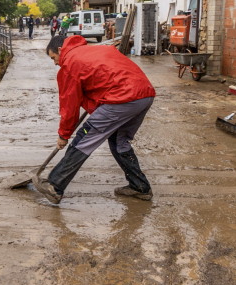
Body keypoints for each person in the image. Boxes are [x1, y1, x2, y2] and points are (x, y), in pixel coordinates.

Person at [34, 34, 155, 204]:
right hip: (144, 95)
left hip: (121, 98)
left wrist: (64, 135)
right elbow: (101, 84)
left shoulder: (70, 64)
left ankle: (54, 185)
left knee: (84, 139)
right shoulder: (97, 49)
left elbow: (69, 106)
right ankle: (140, 187)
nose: (55, 63)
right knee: (119, 141)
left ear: (61, 50)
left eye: (54, 58)